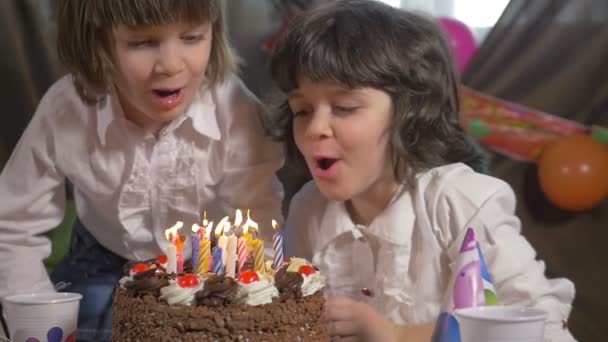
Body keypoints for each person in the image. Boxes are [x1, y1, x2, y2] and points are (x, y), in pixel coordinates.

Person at [265, 1, 576, 341]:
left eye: (344, 107)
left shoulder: (459, 203)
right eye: (302, 110)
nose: (315, 128)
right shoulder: (308, 210)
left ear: (410, 114)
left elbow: (542, 329)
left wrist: (397, 335)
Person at [0, 0, 284, 340]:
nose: (170, 65)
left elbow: (257, 236)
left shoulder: (236, 113)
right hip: (100, 260)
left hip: (206, 268)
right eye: (143, 43)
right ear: (99, 41)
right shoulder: (66, 110)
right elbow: (12, 224)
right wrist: (36, 305)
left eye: (192, 37)